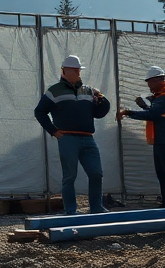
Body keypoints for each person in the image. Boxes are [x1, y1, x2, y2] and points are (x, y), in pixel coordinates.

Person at [35, 54, 110, 216]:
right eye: (75, 70)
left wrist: (102, 99)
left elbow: (99, 113)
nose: (78, 72)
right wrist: (54, 131)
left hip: (88, 138)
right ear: (64, 71)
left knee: (96, 173)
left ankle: (96, 207)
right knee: (70, 176)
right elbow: (39, 112)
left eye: (79, 70)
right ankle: (70, 211)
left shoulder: (88, 90)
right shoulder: (54, 91)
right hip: (67, 138)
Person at [117, 66, 165, 208]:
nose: (149, 85)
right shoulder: (162, 95)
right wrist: (144, 106)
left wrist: (128, 112)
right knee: (163, 171)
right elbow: (154, 112)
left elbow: (152, 114)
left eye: (150, 82)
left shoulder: (164, 97)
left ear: (158, 80)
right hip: (162, 138)